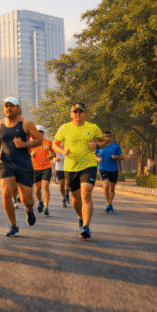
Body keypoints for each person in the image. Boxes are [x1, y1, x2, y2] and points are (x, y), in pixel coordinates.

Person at [0, 97, 43, 237]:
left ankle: (29, 210)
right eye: (6, 106)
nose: (9, 108)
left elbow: (39, 140)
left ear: (18, 108)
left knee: (27, 199)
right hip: (6, 163)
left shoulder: (26, 123)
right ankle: (13, 225)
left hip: (23, 164)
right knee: (6, 193)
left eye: (12, 106)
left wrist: (25, 144)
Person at [52, 102, 105, 239]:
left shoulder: (92, 127)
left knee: (86, 192)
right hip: (70, 167)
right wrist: (63, 151)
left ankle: (86, 227)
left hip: (89, 165)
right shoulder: (64, 128)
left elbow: (103, 140)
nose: (77, 114)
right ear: (71, 114)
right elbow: (54, 145)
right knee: (75, 200)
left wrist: (97, 145)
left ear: (85, 114)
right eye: (75, 112)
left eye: (80, 111)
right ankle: (81, 217)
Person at [96, 130, 124, 213]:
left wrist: (116, 157)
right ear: (103, 137)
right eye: (105, 136)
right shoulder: (99, 146)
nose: (107, 137)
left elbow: (122, 157)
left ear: (111, 137)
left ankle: (110, 203)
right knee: (106, 185)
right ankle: (107, 204)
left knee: (112, 189)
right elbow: (94, 155)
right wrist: (98, 159)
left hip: (114, 169)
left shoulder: (115, 146)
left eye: (108, 136)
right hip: (103, 168)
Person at [31, 125, 55, 216]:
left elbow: (53, 153)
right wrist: (31, 154)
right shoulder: (31, 143)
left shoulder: (48, 142)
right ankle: (40, 202)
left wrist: (51, 156)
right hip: (35, 168)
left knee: (45, 186)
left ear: (43, 133)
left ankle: (46, 207)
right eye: (37, 132)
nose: (39, 133)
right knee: (37, 189)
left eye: (40, 132)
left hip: (46, 167)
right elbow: (26, 153)